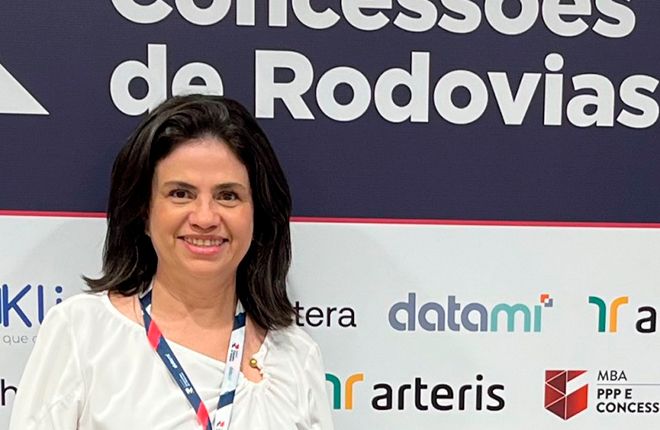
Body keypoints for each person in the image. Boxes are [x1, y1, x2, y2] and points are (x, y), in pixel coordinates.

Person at [9, 95, 334, 430]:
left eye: (228, 196)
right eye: (181, 194)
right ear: (144, 212)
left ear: (258, 216)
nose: (205, 218)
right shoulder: (82, 333)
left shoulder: (295, 357)